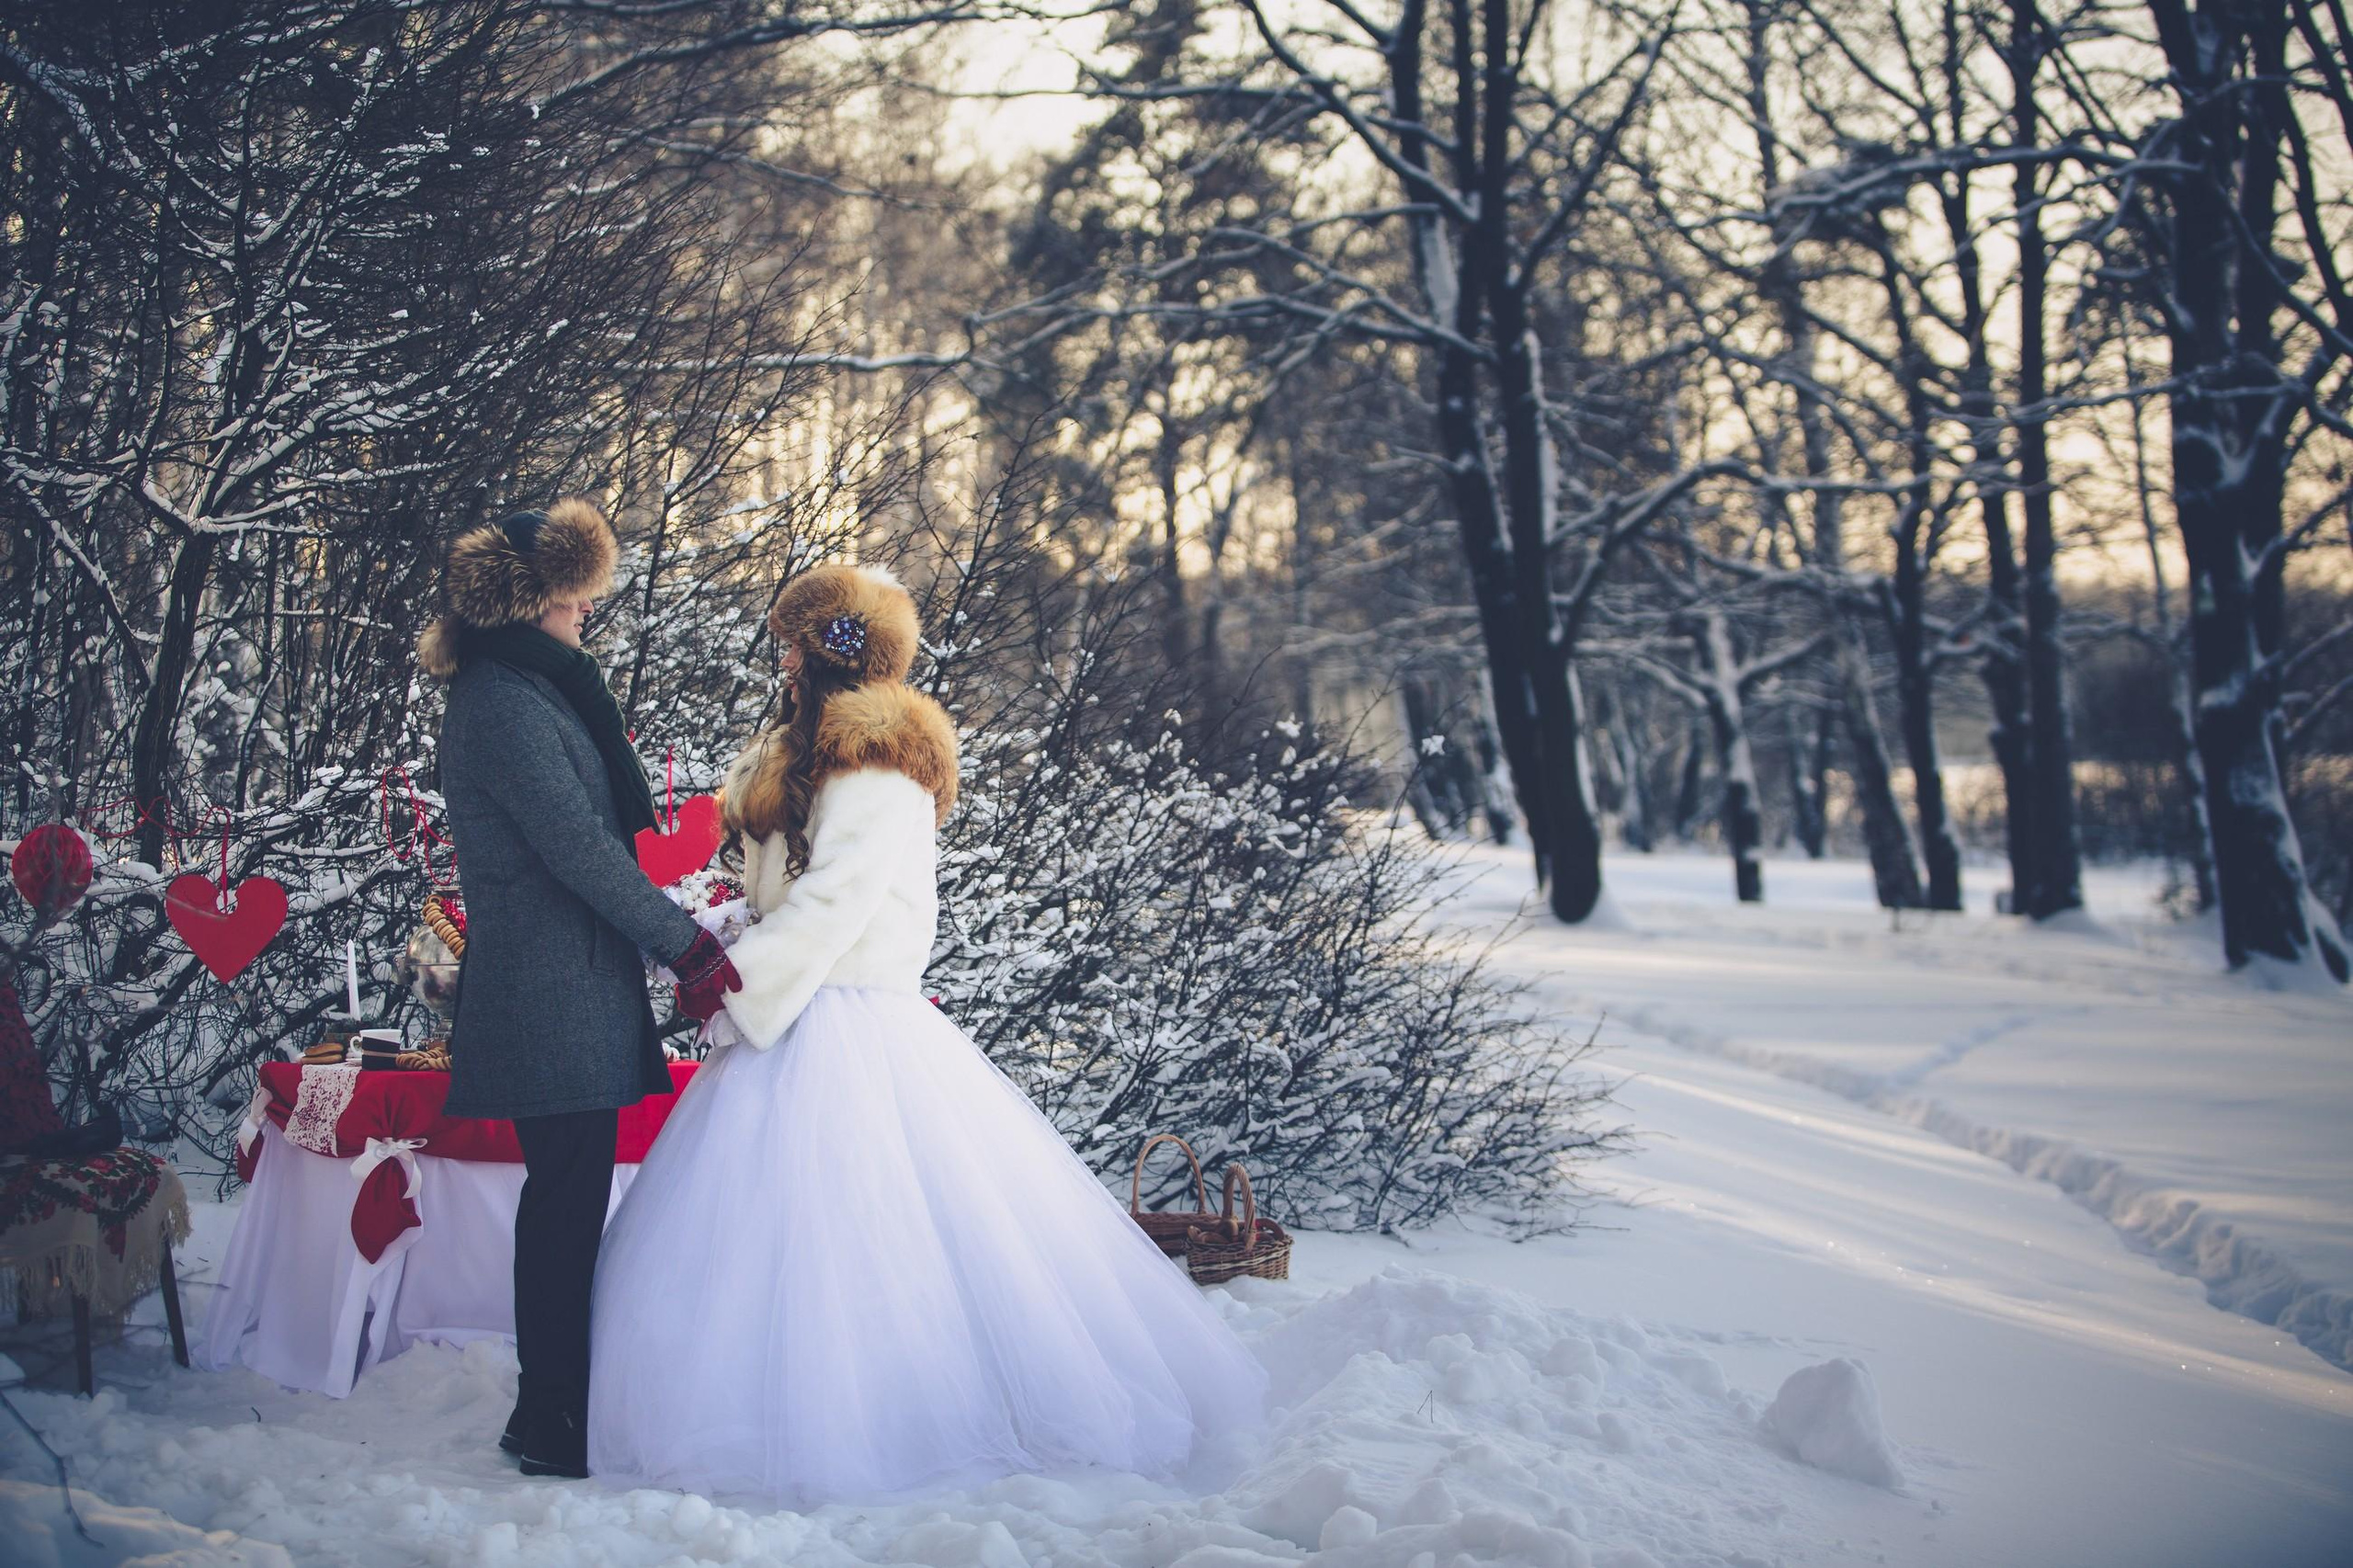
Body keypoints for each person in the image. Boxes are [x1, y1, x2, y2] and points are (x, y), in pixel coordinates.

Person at [586, 563, 1265, 1504]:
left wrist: (731, 981)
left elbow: (835, 902)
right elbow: (788, 896)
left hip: (845, 1021)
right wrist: (729, 935)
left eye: (795, 640)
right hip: (791, 1011)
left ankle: (883, 1418)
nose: (781, 658)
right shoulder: (805, 756)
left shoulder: (875, 761)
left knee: (860, 1237)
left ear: (830, 650)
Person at [418, 499, 743, 1479]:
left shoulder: (534, 688)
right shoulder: (503, 702)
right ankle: (555, 1414)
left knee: (565, 1200)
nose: (587, 611)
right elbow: (576, 850)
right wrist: (683, 943)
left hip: (571, 983)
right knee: (563, 1205)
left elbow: (589, 845)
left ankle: (547, 1407)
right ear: (528, 600)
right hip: (547, 989)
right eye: (573, 594)